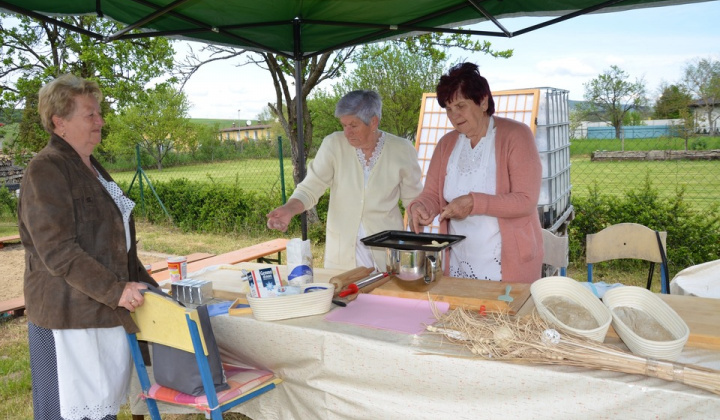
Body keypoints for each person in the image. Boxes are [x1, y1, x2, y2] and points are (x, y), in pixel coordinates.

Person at [17, 74, 158, 419]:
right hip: (66, 316)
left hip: (100, 310)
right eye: (90, 114)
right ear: (59, 122)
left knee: (101, 410)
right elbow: (57, 250)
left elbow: (118, 246)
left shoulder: (93, 168)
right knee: (68, 412)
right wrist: (115, 290)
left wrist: (154, 289)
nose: (101, 121)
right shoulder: (45, 169)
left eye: (99, 113)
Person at [408, 62, 543, 283]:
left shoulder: (516, 135)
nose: (454, 115)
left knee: (502, 317)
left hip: (507, 264)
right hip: (459, 260)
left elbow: (526, 200)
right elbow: (432, 195)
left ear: (483, 102)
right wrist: (421, 207)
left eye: (461, 105)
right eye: (449, 109)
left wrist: (473, 203)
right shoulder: (446, 144)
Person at [267, 90, 423, 270]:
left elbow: (414, 199)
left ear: (373, 122)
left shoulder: (402, 149)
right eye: (344, 125)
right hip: (341, 253)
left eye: (353, 126)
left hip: (386, 249)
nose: (347, 133)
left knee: (386, 296)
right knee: (343, 296)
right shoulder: (333, 144)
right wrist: (289, 209)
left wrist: (417, 219)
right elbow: (310, 188)